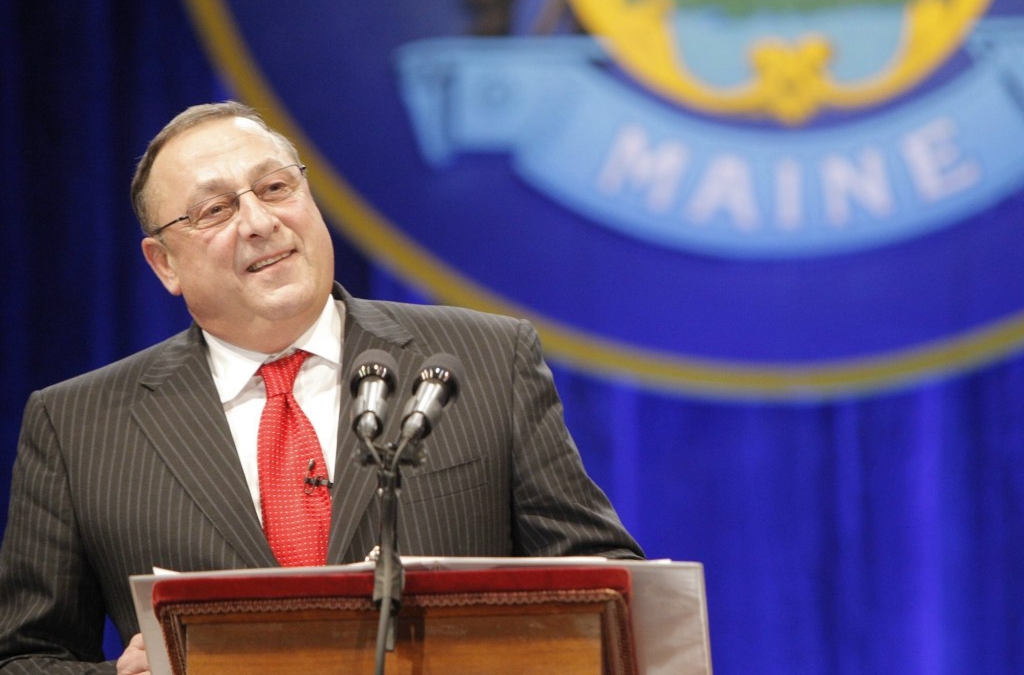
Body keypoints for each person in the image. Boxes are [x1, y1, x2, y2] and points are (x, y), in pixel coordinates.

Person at [0, 101, 643, 673]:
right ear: (164, 263)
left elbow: (606, 580)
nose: (258, 221)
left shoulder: (484, 358)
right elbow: (27, 657)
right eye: (215, 210)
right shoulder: (78, 425)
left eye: (275, 187)